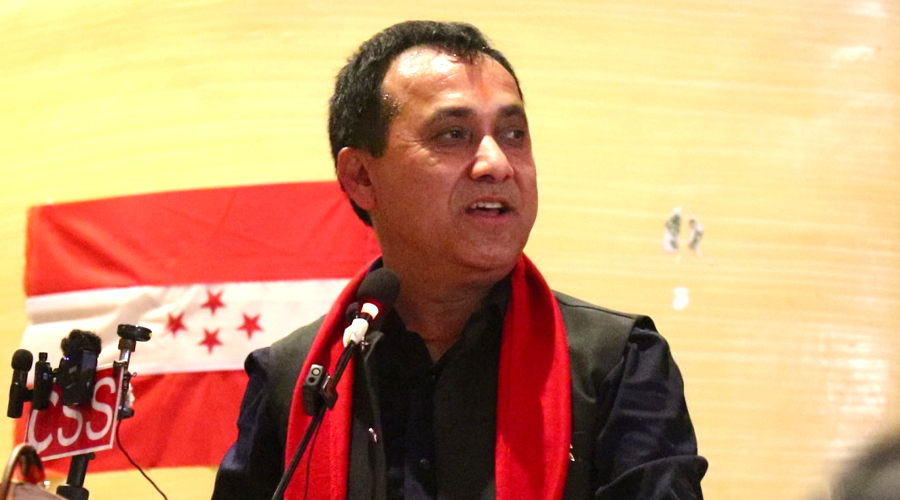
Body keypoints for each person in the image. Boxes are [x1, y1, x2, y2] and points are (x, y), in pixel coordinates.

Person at [212, 20, 707, 500]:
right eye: (453, 134)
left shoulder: (618, 364)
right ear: (361, 176)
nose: (497, 163)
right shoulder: (296, 379)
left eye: (513, 134)